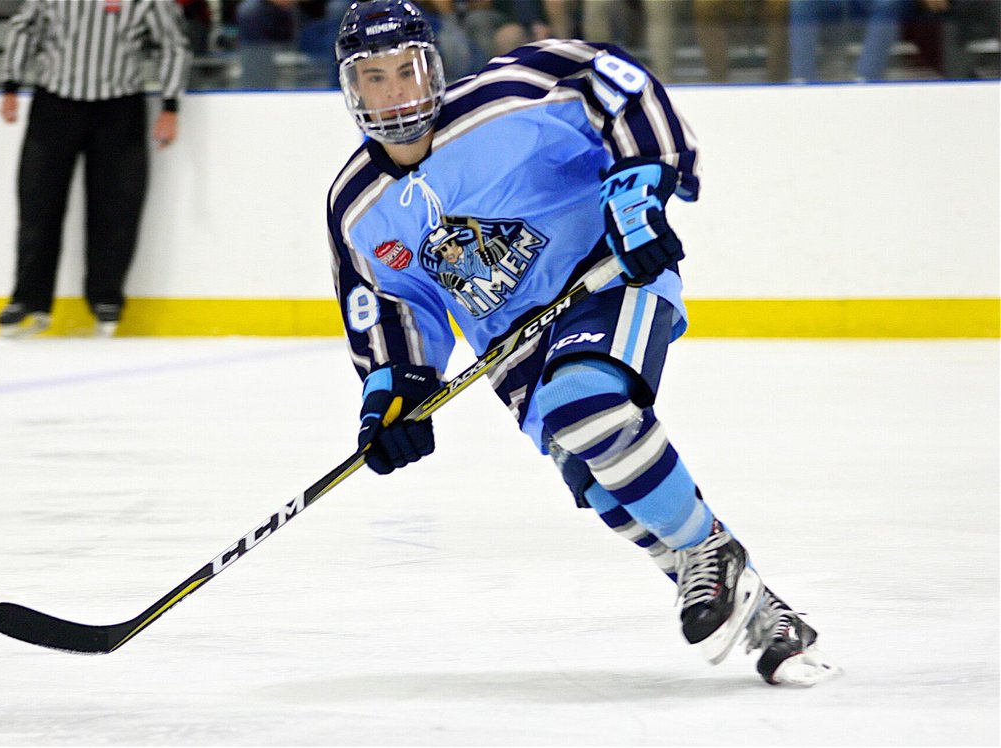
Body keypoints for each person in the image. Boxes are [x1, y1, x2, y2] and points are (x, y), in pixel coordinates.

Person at [325, 0, 841, 686]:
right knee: (602, 482)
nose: (395, 91)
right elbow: (390, 308)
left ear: (434, 69)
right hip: (513, 349)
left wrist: (639, 191)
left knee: (584, 405)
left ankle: (709, 552)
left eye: (407, 70)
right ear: (351, 89)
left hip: (604, 279)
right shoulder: (354, 205)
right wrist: (393, 397)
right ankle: (763, 611)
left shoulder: (509, 95)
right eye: (375, 77)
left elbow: (614, 83)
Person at [0, 0, 191, 337]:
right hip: (55, 102)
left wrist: (170, 106)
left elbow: (173, 43)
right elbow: (23, 28)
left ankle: (106, 297)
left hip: (119, 106)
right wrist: (11, 86)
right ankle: (28, 298)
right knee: (38, 203)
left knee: (117, 207)